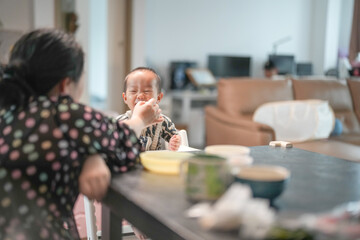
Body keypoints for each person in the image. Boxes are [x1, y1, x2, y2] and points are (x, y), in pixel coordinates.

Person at [0, 29, 162, 240]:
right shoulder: (63, 113)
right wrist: (141, 120)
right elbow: (120, 142)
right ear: (65, 84)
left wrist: (90, 153)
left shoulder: (9, 111)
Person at [118, 67, 181, 151]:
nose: (140, 96)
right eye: (133, 91)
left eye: (146, 91)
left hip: (153, 162)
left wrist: (175, 142)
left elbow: (175, 136)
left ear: (158, 98)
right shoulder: (121, 122)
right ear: (125, 98)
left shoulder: (162, 120)